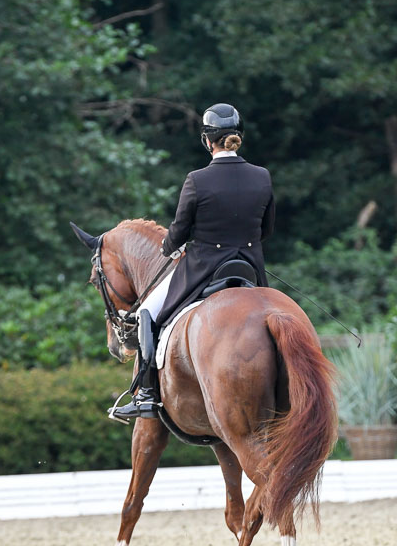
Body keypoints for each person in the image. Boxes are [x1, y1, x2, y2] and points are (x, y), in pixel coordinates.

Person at [109, 102, 275, 421]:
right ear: (238, 136)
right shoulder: (262, 176)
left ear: (206, 140)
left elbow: (180, 230)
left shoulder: (197, 180)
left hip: (203, 269)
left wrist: (169, 247)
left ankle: (146, 394)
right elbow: (267, 229)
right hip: (250, 269)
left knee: (146, 311)